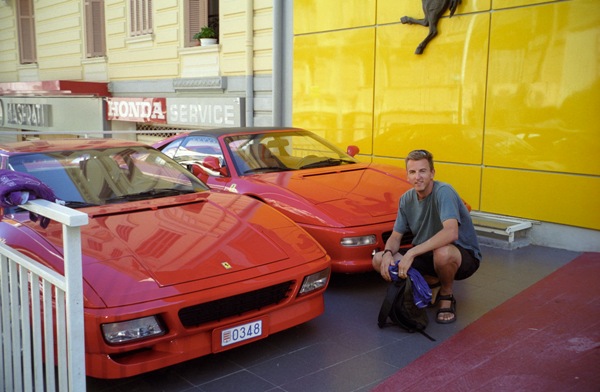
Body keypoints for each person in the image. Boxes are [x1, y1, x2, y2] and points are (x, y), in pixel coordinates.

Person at [372, 149, 481, 324]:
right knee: (378, 259)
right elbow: (395, 236)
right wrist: (386, 253)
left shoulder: (444, 191)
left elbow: (451, 232)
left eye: (423, 171)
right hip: (427, 252)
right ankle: (428, 283)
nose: (418, 177)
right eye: (412, 172)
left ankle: (446, 294)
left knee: (443, 253)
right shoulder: (406, 199)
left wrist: (411, 253)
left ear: (432, 173)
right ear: (407, 176)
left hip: (461, 254)